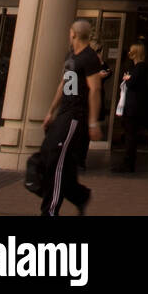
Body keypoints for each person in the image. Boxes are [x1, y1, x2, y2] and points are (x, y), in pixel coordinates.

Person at [38, 18, 102, 216]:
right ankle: (79, 195)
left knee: (57, 162)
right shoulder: (70, 55)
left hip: (76, 116)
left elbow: (95, 89)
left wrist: (92, 122)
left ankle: (50, 211)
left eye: (69, 32)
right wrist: (51, 111)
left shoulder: (90, 57)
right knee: (51, 157)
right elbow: (63, 82)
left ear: (73, 33)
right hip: (64, 113)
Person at [112, 43, 148, 173]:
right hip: (132, 105)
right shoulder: (137, 67)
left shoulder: (140, 68)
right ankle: (128, 161)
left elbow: (132, 83)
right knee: (130, 134)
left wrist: (128, 79)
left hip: (133, 106)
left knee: (130, 135)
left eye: (131, 51)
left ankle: (128, 162)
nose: (129, 54)